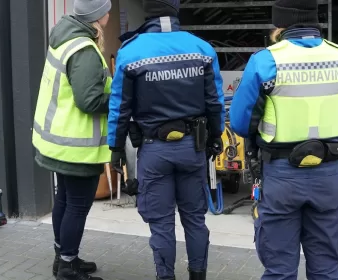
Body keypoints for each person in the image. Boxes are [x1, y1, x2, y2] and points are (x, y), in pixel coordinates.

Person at [229, 0, 338, 279]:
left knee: (279, 270)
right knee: (326, 268)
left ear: (281, 24)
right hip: (327, 174)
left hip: (281, 176)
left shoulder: (265, 61)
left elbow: (241, 123)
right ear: (315, 21)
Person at [107, 1, 225, 279]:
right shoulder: (202, 49)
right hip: (192, 148)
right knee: (195, 220)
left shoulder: (131, 52)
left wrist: (115, 148)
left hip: (153, 150)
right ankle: (198, 274)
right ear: (176, 10)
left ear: (148, 11)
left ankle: (165, 275)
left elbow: (119, 107)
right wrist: (216, 136)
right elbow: (215, 102)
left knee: (161, 224)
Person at [32, 0, 112, 279]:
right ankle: (67, 266)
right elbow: (89, 100)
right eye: (105, 10)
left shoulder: (64, 36)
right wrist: (122, 98)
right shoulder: (84, 49)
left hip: (59, 142)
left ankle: (64, 258)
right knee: (76, 205)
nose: (109, 14)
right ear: (97, 16)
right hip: (76, 148)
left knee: (64, 200)